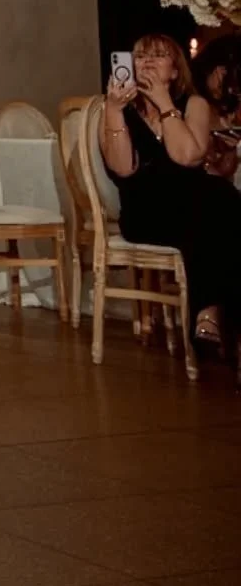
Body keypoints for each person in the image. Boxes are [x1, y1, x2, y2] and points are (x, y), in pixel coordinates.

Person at [101, 33, 241, 355]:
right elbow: (122, 168)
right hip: (145, 211)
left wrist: (164, 104)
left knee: (216, 209)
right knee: (220, 206)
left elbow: (187, 156)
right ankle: (212, 314)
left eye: (159, 56)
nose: (148, 61)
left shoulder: (194, 105)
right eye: (140, 56)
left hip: (194, 206)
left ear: (176, 70)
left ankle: (211, 321)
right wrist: (113, 108)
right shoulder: (115, 110)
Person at [193, 35, 241, 182]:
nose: (232, 90)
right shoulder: (191, 105)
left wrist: (230, 150)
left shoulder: (227, 107)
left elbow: (225, 171)